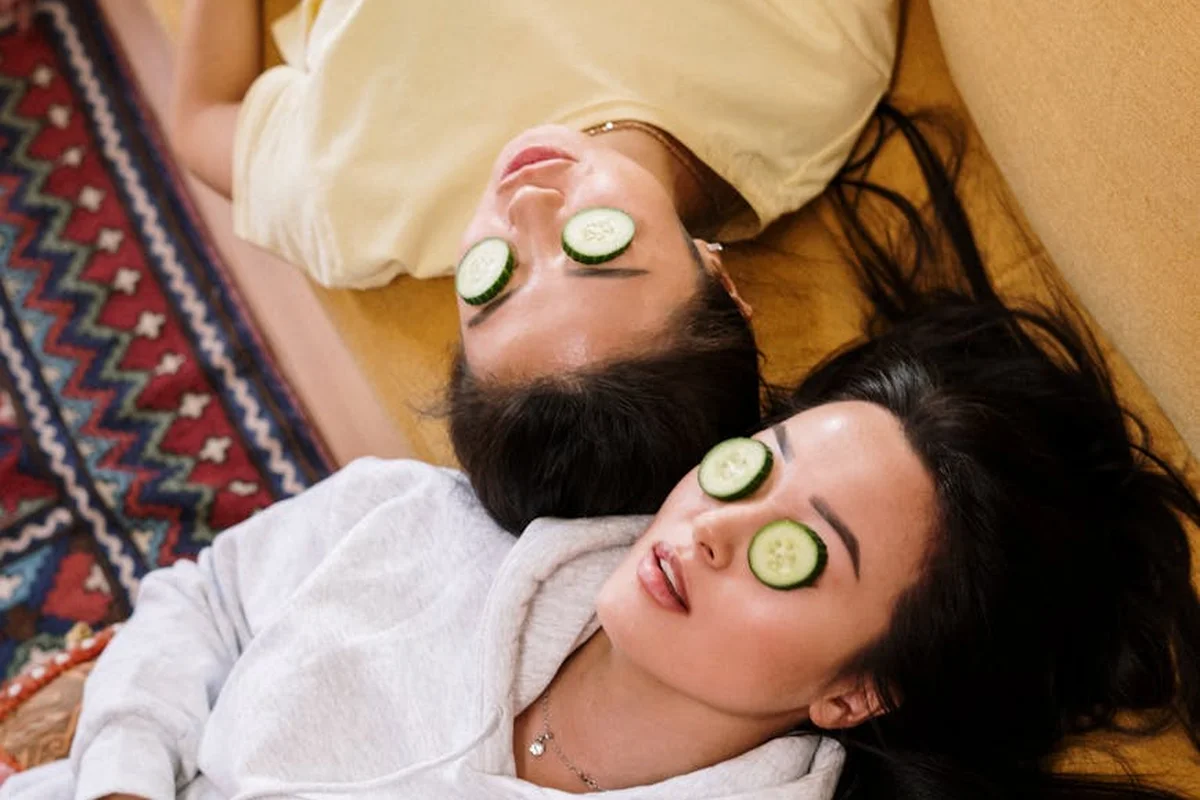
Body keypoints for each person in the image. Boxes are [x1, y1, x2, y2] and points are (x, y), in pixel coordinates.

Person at [4, 107, 1198, 800]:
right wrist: (119, 777)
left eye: (801, 551)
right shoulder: (426, 516)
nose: (717, 522)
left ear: (856, 689)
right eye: (755, 464)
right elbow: (201, 598)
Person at [164, 0, 899, 532]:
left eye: (491, 278)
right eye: (597, 247)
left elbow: (201, 121)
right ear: (720, 279)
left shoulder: (353, 200)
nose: (526, 210)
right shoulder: (811, 66)